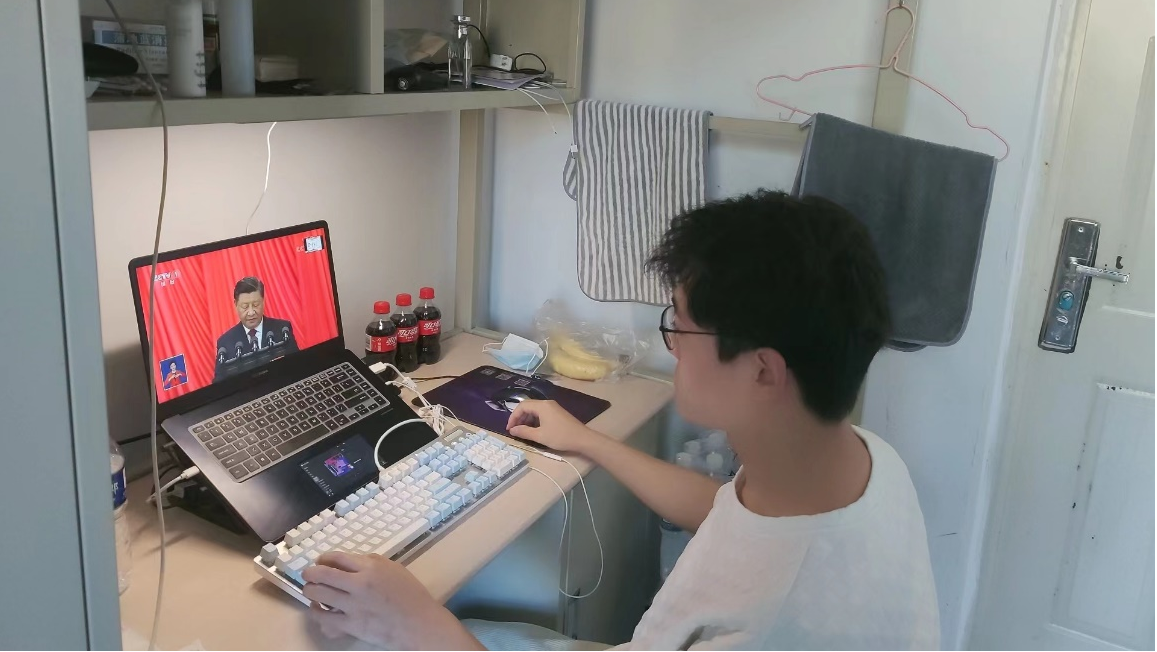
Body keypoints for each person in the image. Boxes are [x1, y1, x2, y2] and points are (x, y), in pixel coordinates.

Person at [300, 190, 940, 650]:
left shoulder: (775, 622)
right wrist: (587, 441)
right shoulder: (859, 462)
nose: (672, 345)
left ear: (763, 371)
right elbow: (727, 511)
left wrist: (418, 624)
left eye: (680, 325)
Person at [213, 276, 297, 382]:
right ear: (236, 304)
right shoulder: (225, 343)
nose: (251, 312)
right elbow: (219, 384)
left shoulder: (282, 329)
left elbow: (297, 367)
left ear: (263, 301)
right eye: (245, 306)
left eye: (256, 305)